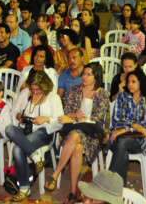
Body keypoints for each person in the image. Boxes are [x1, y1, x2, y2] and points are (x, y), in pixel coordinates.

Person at [46, 63, 110, 203]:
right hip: (73, 130)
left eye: (89, 74)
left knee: (76, 138)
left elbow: (98, 118)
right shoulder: (74, 90)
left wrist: (84, 118)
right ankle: (73, 192)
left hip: (92, 134)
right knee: (76, 143)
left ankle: (57, 174)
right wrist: (75, 115)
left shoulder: (102, 93)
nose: (85, 77)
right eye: (84, 74)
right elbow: (66, 112)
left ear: (96, 77)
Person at [5, 71, 63, 202]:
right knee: (9, 129)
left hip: (43, 132)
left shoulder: (53, 98)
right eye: (32, 89)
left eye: (38, 89)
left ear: (45, 86)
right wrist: (19, 116)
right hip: (25, 131)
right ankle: (35, 157)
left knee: (17, 149)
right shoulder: (26, 94)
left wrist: (46, 119)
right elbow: (14, 110)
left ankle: (24, 188)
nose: (35, 92)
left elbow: (60, 122)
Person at [108, 68, 146, 185]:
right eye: (128, 82)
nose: (129, 85)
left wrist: (126, 128)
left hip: (138, 141)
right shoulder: (122, 97)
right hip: (118, 137)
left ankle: (110, 184)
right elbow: (117, 120)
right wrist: (135, 125)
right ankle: (119, 187)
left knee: (121, 142)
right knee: (122, 146)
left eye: (133, 82)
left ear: (141, 82)